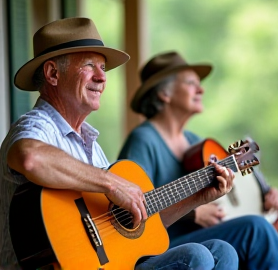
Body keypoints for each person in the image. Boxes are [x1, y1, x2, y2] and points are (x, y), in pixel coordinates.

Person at [0, 18, 238, 270]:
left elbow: (142, 225)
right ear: (53, 74)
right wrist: (112, 184)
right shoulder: (37, 126)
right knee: (197, 256)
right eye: (89, 65)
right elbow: (30, 158)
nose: (102, 77)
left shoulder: (90, 144)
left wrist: (197, 198)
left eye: (103, 67)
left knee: (222, 251)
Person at [118, 51, 278, 270]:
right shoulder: (144, 140)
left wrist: (265, 197)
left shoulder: (194, 142)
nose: (201, 89)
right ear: (164, 94)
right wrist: (193, 213)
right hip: (160, 249)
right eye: (191, 83)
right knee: (255, 229)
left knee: (256, 226)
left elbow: (230, 195)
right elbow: (129, 210)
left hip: (199, 240)